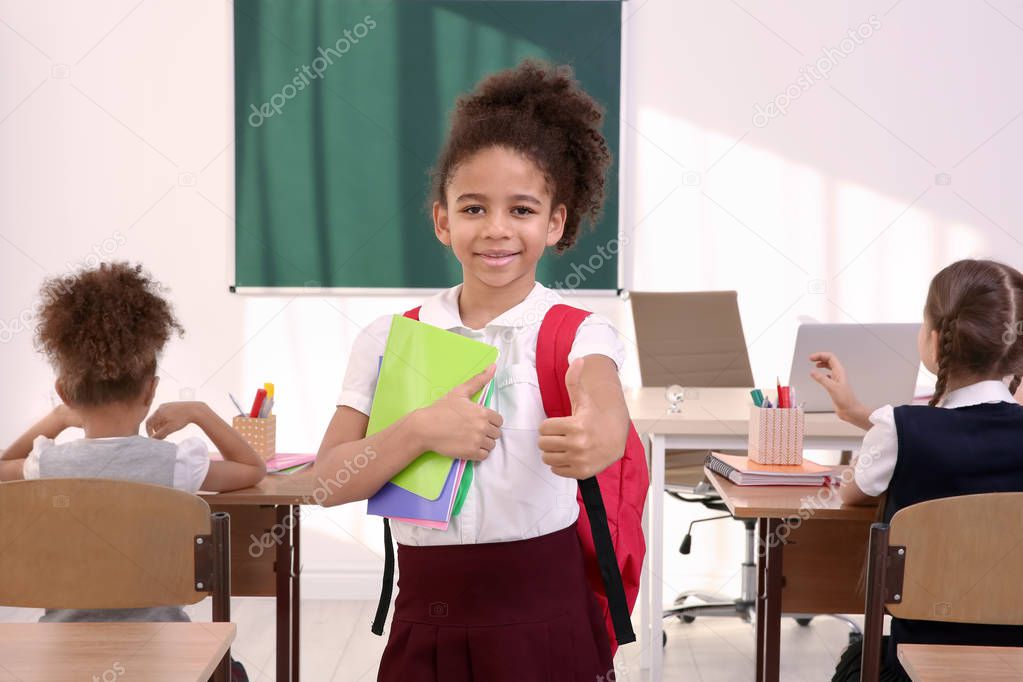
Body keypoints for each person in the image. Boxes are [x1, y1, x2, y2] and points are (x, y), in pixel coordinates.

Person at [315, 60, 630, 681]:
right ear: (442, 220)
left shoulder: (577, 333)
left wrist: (598, 433)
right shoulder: (390, 340)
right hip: (427, 621)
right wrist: (420, 431)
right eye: (473, 208)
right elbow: (326, 482)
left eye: (521, 209)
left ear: (555, 222)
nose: (496, 230)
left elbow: (604, 404)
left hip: (549, 622)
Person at [0, 261, 267, 631]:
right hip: (160, 647)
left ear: (64, 393)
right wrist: (200, 412)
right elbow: (253, 469)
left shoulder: (45, 464)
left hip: (63, 646)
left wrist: (57, 418)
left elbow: (3, 466)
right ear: (151, 390)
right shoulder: (174, 465)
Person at [811, 259, 1023, 681]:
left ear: (934, 338)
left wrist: (875, 426)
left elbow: (853, 491)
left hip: (912, 665)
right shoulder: (897, 427)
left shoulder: (899, 428)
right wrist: (860, 414)